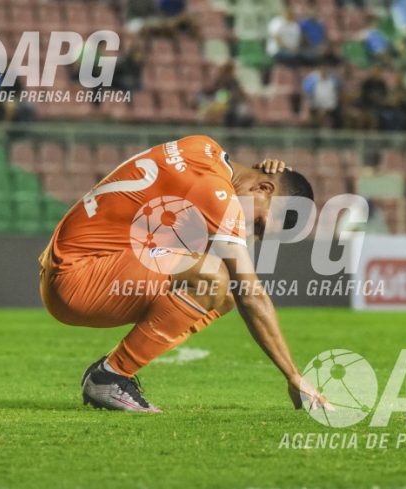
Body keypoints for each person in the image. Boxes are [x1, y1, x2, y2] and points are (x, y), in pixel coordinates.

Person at [39, 135, 329, 412]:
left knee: (225, 288)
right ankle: (110, 377)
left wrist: (258, 176)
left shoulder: (203, 147)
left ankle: (111, 372)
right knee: (215, 278)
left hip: (74, 265)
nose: (249, 230)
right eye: (260, 223)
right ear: (263, 189)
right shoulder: (216, 194)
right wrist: (293, 375)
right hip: (77, 278)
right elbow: (251, 295)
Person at [302, 63, 343, 128]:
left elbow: (339, 89)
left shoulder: (333, 78)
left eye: (325, 69)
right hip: (316, 105)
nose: (324, 71)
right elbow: (307, 92)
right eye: (322, 69)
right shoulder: (312, 78)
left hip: (331, 106)